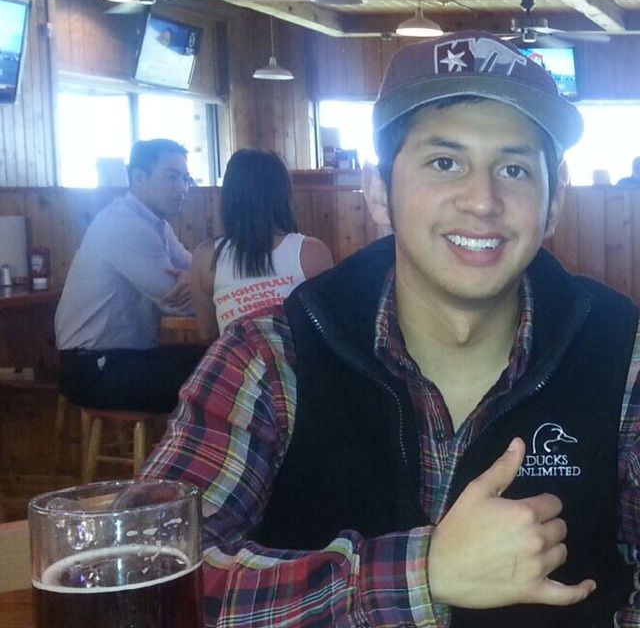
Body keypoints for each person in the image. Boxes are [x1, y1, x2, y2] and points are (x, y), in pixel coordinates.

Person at [141, 31, 640, 626]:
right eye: (445, 163)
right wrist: (423, 575)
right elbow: (159, 574)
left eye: (514, 168)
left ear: (552, 203)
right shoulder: (268, 357)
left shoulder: (624, 356)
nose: (482, 201)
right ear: (380, 192)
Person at [55, 138, 205, 414]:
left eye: (186, 179)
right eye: (172, 177)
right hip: (94, 368)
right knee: (220, 378)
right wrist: (211, 285)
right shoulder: (125, 224)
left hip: (122, 359)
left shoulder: (154, 224)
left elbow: (195, 268)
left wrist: (196, 278)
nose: (183, 188)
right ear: (138, 177)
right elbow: (176, 301)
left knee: (220, 361)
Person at [191, 148, 334, 341]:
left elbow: (207, 333)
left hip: (237, 359)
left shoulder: (206, 256)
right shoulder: (312, 252)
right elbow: (330, 330)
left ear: (229, 197)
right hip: (299, 360)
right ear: (283, 195)